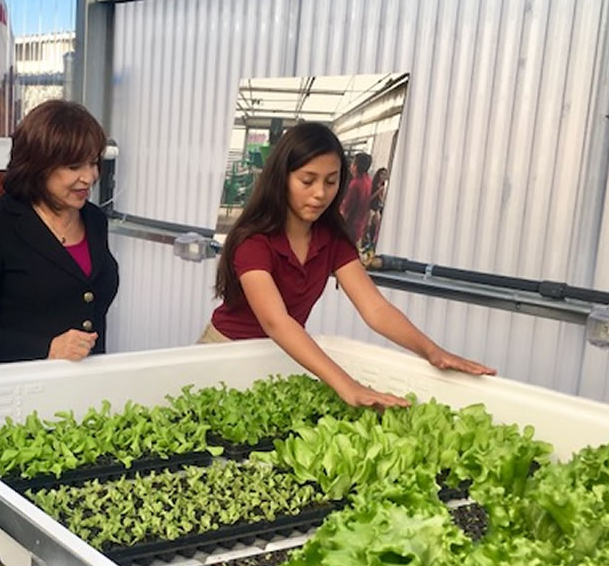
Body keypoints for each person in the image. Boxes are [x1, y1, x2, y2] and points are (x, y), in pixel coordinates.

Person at [200, 123, 493, 408]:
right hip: (226, 351)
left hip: (281, 355)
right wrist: (347, 385)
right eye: (307, 181)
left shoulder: (332, 239)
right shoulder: (254, 242)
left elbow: (375, 308)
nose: (320, 193)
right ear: (282, 179)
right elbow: (276, 321)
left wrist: (431, 351)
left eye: (331, 181)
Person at [0, 100, 120, 364]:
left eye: (93, 163)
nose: (89, 177)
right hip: (18, 382)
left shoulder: (94, 219)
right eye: (74, 166)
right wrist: (47, 348)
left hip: (86, 378)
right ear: (38, 166)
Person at [340, 151, 373, 245]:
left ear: (356, 166)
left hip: (350, 227)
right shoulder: (368, 181)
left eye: (353, 163)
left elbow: (346, 210)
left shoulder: (355, 184)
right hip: (359, 226)